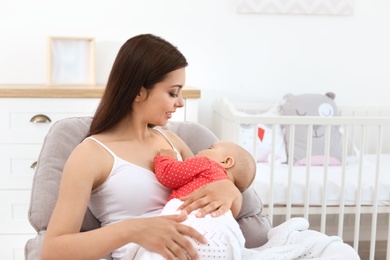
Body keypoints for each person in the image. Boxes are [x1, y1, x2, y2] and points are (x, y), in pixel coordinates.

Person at [41, 34, 246, 260]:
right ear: (139, 91)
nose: (180, 102)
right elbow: (53, 250)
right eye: (172, 92)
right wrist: (134, 229)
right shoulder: (90, 154)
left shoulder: (172, 142)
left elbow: (210, 187)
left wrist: (231, 191)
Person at [122, 140, 257, 259]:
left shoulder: (207, 164)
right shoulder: (233, 197)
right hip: (226, 243)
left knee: (156, 252)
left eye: (210, 148)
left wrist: (166, 158)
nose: (200, 150)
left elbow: (170, 175)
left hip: (191, 227)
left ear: (226, 162)